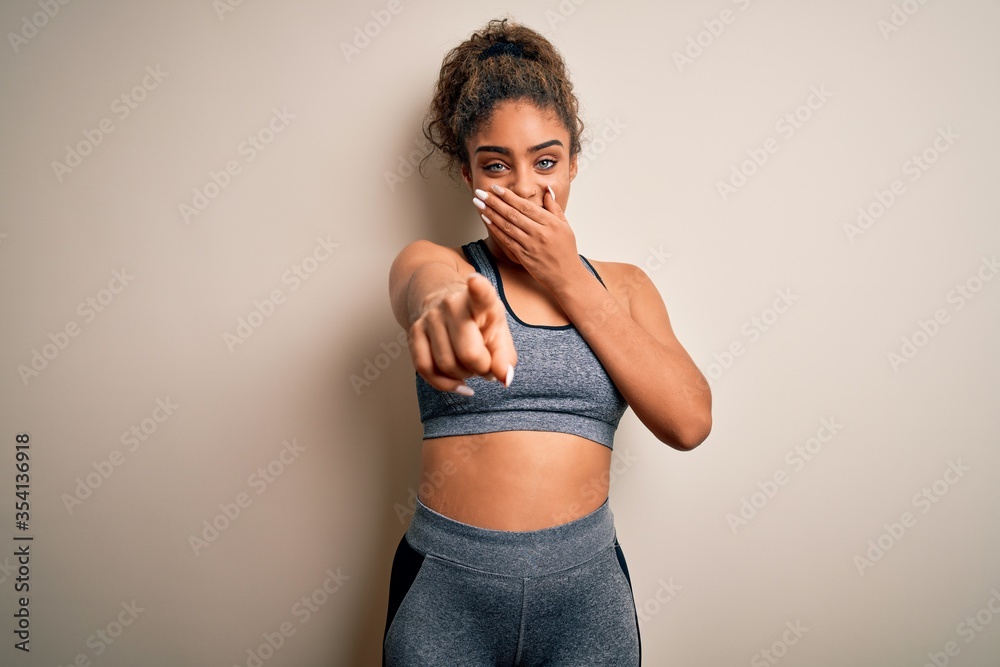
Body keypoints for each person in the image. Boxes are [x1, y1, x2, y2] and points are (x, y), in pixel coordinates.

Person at [382, 17, 712, 666]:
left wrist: (567, 276)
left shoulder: (625, 288)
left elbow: (690, 420)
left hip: (586, 601)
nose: (528, 188)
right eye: (496, 165)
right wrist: (441, 305)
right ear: (464, 169)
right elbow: (422, 284)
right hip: (446, 594)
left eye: (547, 160)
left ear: (574, 162)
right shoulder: (444, 266)